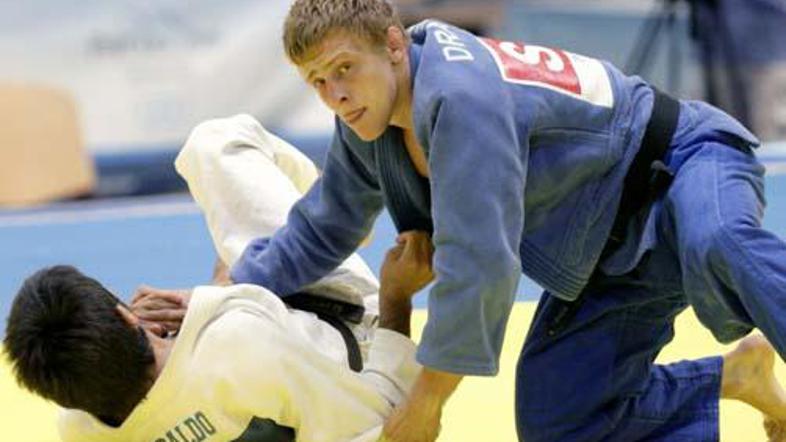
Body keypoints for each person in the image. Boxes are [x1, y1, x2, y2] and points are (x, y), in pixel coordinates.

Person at [125, 1, 786, 440]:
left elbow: (482, 265)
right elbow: (321, 227)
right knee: (559, 420)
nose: (336, 95)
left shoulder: (460, 98)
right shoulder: (369, 121)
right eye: (318, 83)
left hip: (684, 165)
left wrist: (428, 400)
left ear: (392, 46)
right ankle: (736, 377)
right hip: (603, 250)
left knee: (722, 240)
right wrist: (220, 300)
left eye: (344, 70)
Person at [3, 114, 437, 441]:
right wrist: (399, 298)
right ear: (128, 317)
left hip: (265, 356)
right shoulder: (236, 344)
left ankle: (326, 224)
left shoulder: (80, 429)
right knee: (218, 142)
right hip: (349, 335)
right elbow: (389, 412)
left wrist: (207, 306)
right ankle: (338, 222)